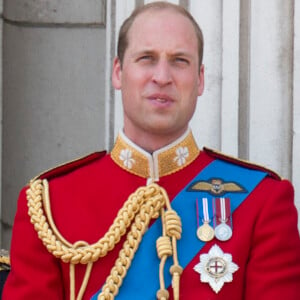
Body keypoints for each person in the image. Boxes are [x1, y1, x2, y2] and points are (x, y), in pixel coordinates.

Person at [3, 2, 300, 299]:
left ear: (199, 79)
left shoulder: (261, 201)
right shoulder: (49, 205)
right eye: (147, 58)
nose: (162, 76)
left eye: (179, 61)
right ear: (118, 73)